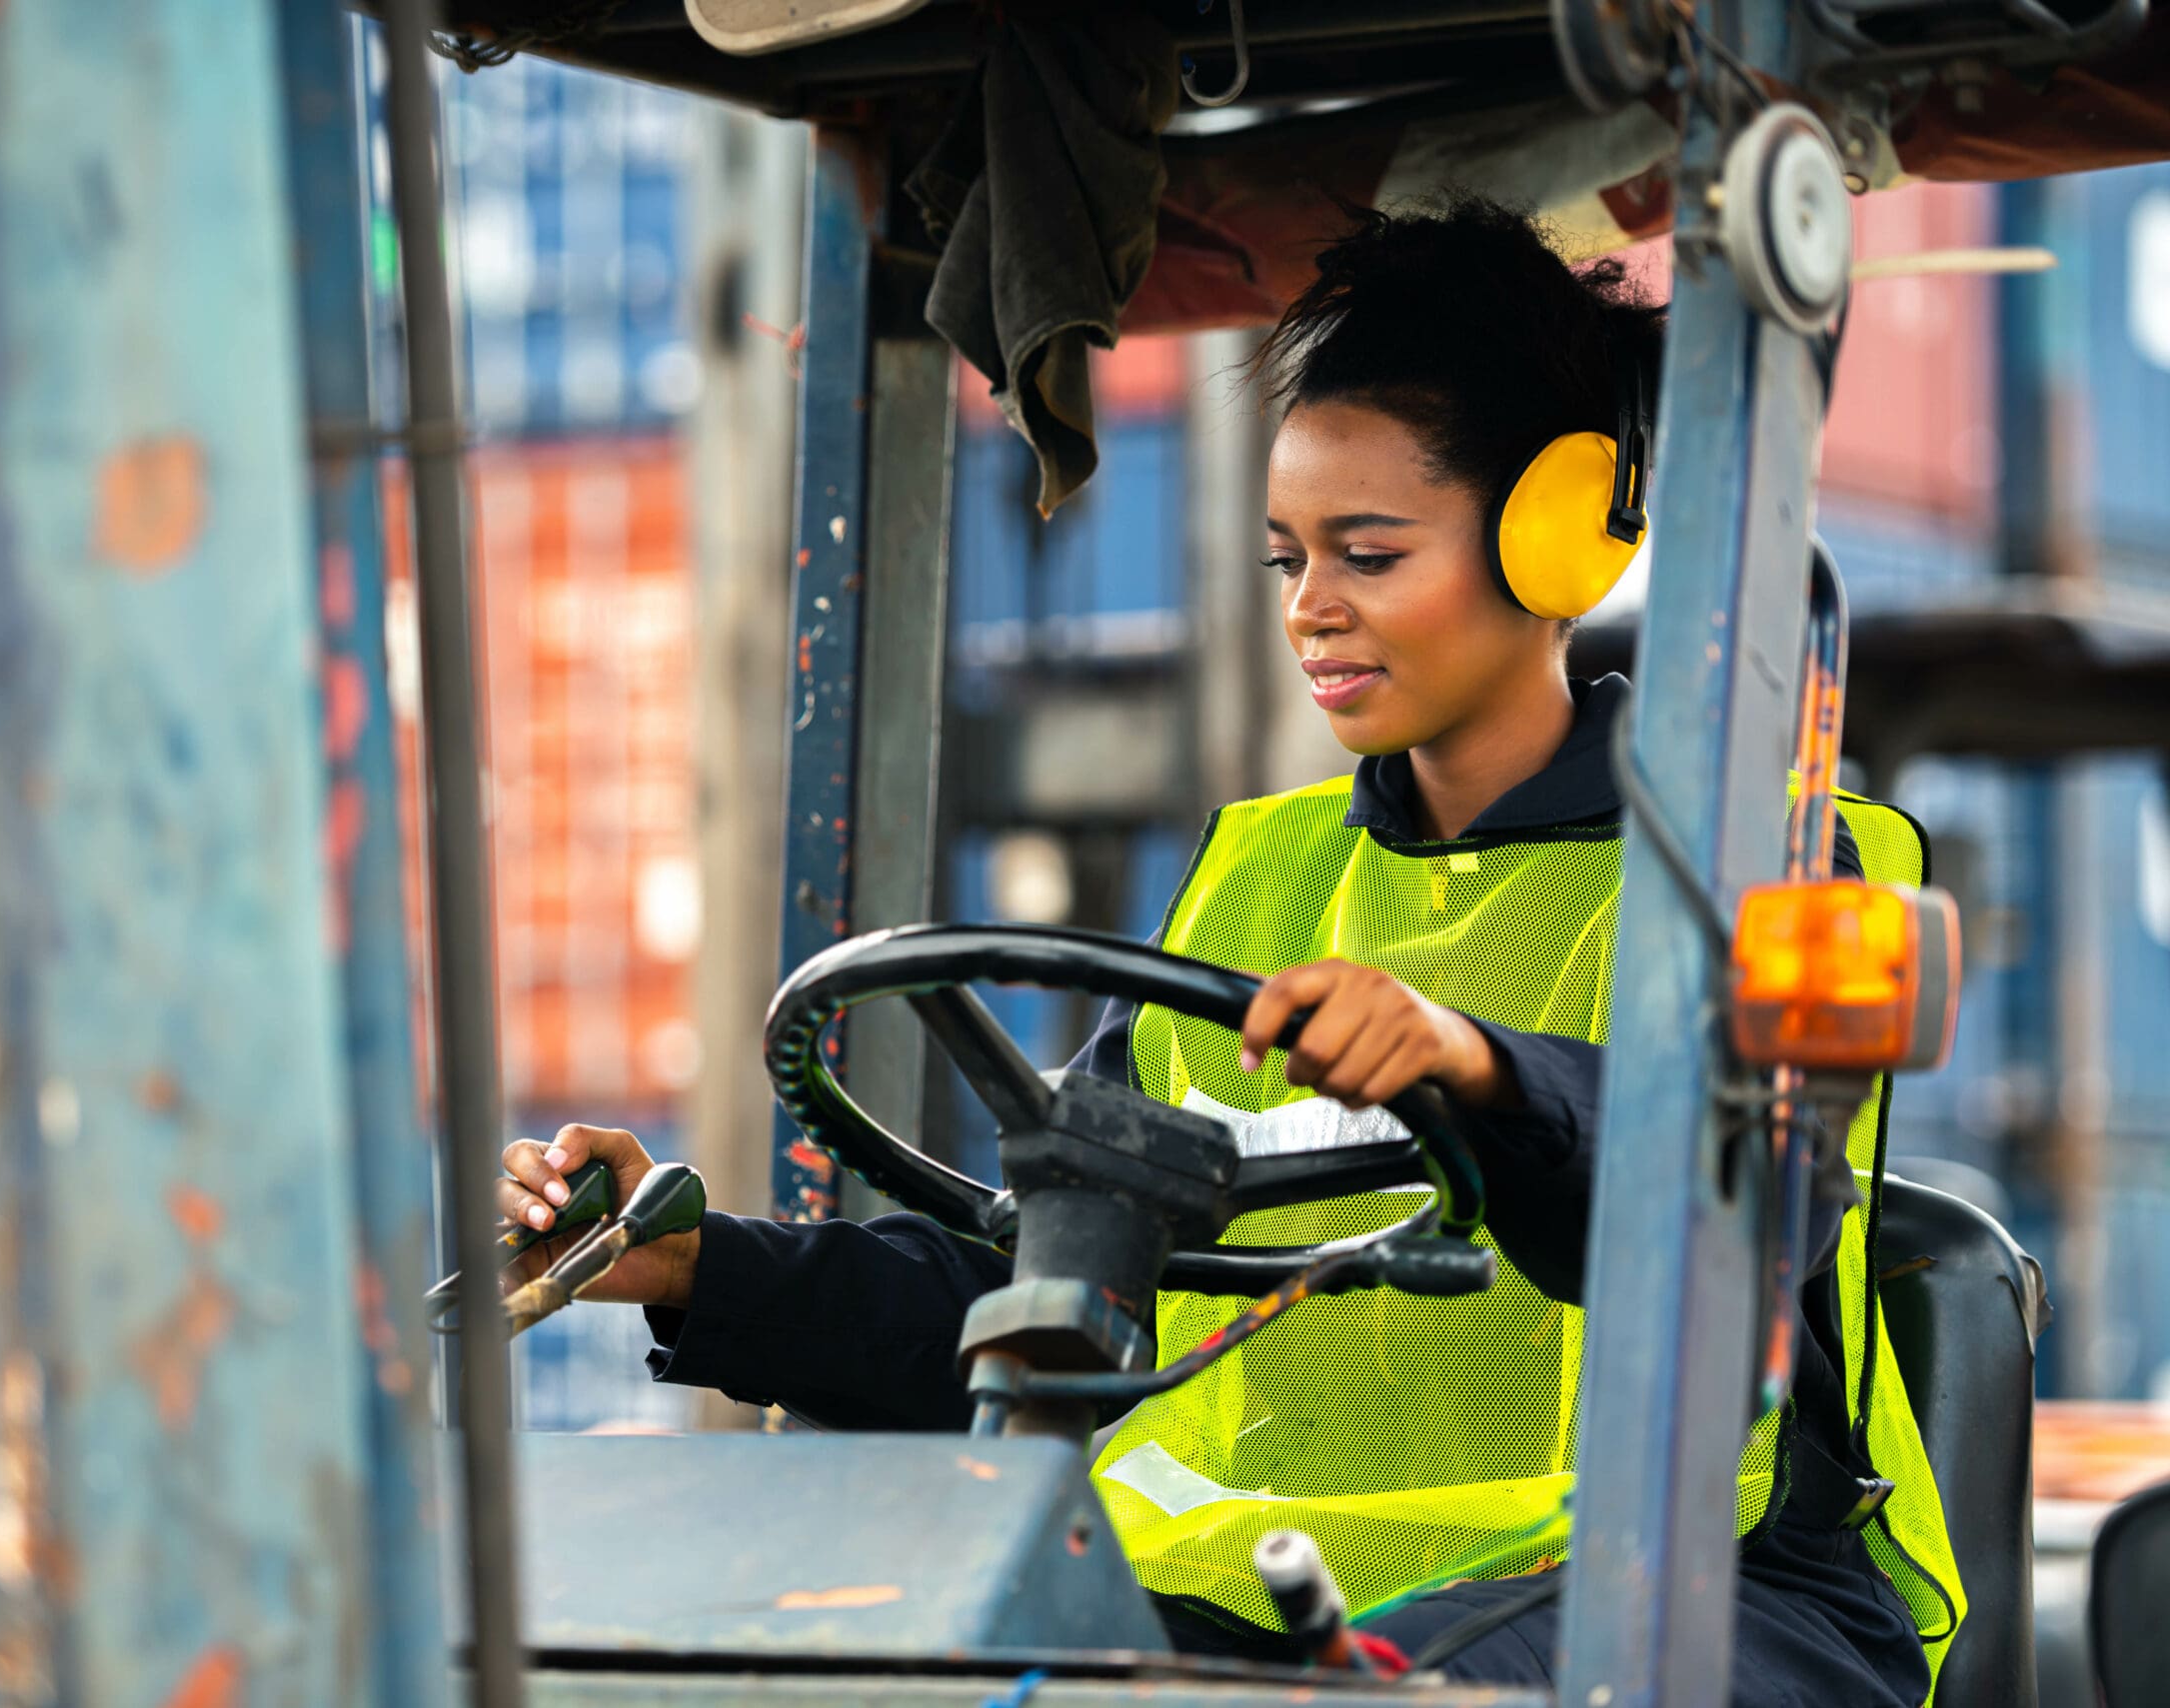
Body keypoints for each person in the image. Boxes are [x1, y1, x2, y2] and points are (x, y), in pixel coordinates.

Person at [496, 199, 1957, 1706]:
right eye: (1286, 560)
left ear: (1559, 534)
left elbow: (1709, 1203)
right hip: (1284, 1604)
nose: (1313, 609)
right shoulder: (1261, 880)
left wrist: (1478, 1070)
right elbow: (1051, 1297)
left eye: (1369, 554)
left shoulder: (1738, 863)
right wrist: (692, 1266)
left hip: (1700, 1589)